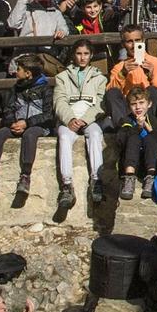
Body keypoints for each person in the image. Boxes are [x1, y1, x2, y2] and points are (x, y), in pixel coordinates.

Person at [0, 56, 55, 205]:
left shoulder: (45, 89)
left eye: (19, 69)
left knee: (30, 135)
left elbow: (48, 115)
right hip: (17, 125)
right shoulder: (15, 89)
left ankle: (25, 176)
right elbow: (8, 109)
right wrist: (12, 122)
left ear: (28, 73)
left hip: (37, 127)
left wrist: (27, 123)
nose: (16, 72)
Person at [51, 39, 108, 221]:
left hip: (89, 118)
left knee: (95, 133)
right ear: (73, 55)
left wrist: (86, 119)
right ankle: (67, 185)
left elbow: (100, 103)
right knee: (64, 136)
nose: (82, 58)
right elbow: (59, 101)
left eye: (86, 54)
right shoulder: (63, 77)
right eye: (79, 53)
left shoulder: (99, 78)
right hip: (70, 119)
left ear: (91, 55)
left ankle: (96, 180)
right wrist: (69, 119)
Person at [105, 26, 157, 122]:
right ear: (123, 44)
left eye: (137, 40)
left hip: (149, 109)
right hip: (128, 110)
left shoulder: (156, 63)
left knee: (152, 90)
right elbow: (111, 93)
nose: (134, 45)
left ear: (143, 41)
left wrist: (151, 76)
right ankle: (124, 127)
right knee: (112, 92)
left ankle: (153, 126)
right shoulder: (119, 67)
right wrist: (122, 74)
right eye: (129, 41)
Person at [113, 88, 157, 202]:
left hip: (150, 163)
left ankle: (151, 177)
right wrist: (137, 128)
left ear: (149, 104)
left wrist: (149, 129)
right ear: (129, 107)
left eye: (141, 103)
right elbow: (120, 141)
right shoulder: (126, 120)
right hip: (130, 163)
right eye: (133, 104)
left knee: (150, 138)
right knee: (134, 137)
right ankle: (129, 178)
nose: (138, 107)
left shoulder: (156, 122)